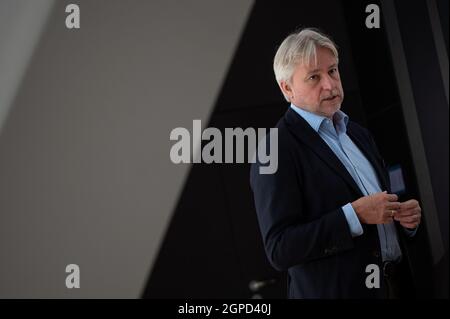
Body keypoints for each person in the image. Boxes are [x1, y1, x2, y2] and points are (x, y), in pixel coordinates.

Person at [250, 28, 422, 299]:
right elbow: (280, 249)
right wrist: (354, 215)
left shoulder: (358, 133)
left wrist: (404, 221)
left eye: (332, 71)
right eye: (314, 77)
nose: (329, 84)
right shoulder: (276, 150)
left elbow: (379, 216)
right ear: (287, 88)